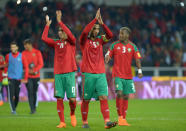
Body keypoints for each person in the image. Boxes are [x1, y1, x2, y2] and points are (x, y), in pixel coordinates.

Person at [79, 8, 117, 129]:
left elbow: (110, 35)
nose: (97, 30)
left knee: (103, 97)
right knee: (86, 99)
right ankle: (84, 122)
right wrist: (94, 19)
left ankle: (107, 122)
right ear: (91, 29)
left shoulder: (100, 40)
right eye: (94, 28)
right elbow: (84, 31)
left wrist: (102, 24)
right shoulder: (84, 41)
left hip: (101, 73)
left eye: (97, 29)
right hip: (88, 74)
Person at [42, 10, 77, 128]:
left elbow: (70, 34)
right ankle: (62, 122)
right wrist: (47, 25)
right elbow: (44, 38)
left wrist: (60, 22)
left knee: (72, 99)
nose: (60, 32)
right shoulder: (56, 43)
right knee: (59, 99)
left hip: (70, 74)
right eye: (59, 31)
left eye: (62, 31)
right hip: (58, 74)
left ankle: (72, 114)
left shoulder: (72, 42)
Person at [105, 27, 143, 126]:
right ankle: (120, 117)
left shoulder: (133, 46)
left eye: (122, 34)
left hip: (128, 76)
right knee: (119, 93)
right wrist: (107, 57)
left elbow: (138, 59)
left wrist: (139, 71)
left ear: (127, 35)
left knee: (126, 96)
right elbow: (108, 53)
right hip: (117, 74)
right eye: (119, 33)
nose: (120, 35)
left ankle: (124, 119)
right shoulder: (114, 45)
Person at [5, 41, 28, 114]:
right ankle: (13, 110)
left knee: (17, 96)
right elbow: (6, 66)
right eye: (12, 47)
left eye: (14, 47)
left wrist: (26, 78)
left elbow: (26, 67)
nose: (13, 48)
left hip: (18, 78)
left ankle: (14, 108)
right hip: (10, 78)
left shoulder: (21, 56)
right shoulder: (8, 56)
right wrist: (5, 74)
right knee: (11, 95)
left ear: (17, 47)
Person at [22, 39, 44, 114]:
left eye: (25, 44)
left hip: (36, 76)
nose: (24, 46)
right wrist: (27, 71)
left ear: (30, 44)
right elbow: (23, 64)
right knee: (30, 92)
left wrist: (34, 70)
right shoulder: (23, 53)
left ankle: (34, 107)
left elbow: (41, 64)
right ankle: (32, 109)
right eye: (24, 45)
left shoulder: (37, 52)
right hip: (28, 76)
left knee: (34, 92)